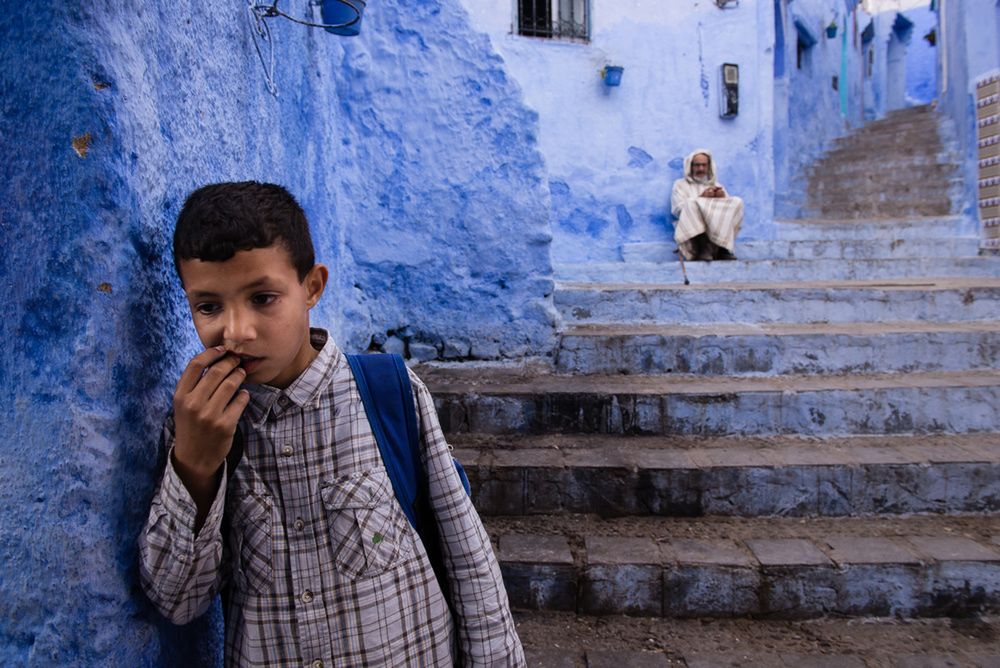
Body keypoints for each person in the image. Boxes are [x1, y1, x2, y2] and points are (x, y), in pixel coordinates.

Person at [138, 181, 525, 667]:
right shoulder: (199, 429)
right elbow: (177, 602)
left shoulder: (388, 393)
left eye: (262, 298)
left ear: (312, 287)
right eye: (209, 306)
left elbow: (471, 563)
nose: (236, 331)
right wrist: (195, 465)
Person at [671, 148, 744, 261]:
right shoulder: (680, 185)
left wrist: (721, 199)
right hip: (694, 232)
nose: (701, 169)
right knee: (691, 203)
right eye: (697, 165)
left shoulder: (716, 185)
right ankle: (703, 248)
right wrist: (701, 198)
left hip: (715, 227)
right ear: (690, 166)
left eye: (704, 165)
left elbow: (726, 211)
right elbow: (677, 210)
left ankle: (722, 248)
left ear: (709, 166)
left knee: (736, 201)